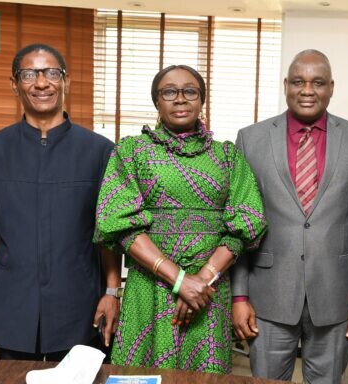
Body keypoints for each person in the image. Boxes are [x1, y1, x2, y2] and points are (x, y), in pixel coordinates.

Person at [94, 64, 266, 373]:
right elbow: (117, 222)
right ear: (156, 101)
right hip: (149, 288)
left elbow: (247, 221)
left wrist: (200, 281)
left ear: (202, 100)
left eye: (190, 91)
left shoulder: (227, 156)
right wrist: (179, 280)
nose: (180, 99)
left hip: (208, 293)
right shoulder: (131, 152)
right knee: (140, 375)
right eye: (169, 92)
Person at [231, 49, 348, 384]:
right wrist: (239, 296)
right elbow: (240, 225)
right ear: (286, 85)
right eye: (298, 81)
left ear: (331, 87)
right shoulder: (250, 139)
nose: (307, 90)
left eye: (318, 82)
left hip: (336, 297)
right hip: (268, 296)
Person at [0, 43, 119, 361]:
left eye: (52, 72)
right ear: (15, 84)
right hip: (12, 303)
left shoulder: (100, 151)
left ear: (66, 82)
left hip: (80, 304)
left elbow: (108, 233)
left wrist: (111, 291)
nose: (41, 82)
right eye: (29, 74)